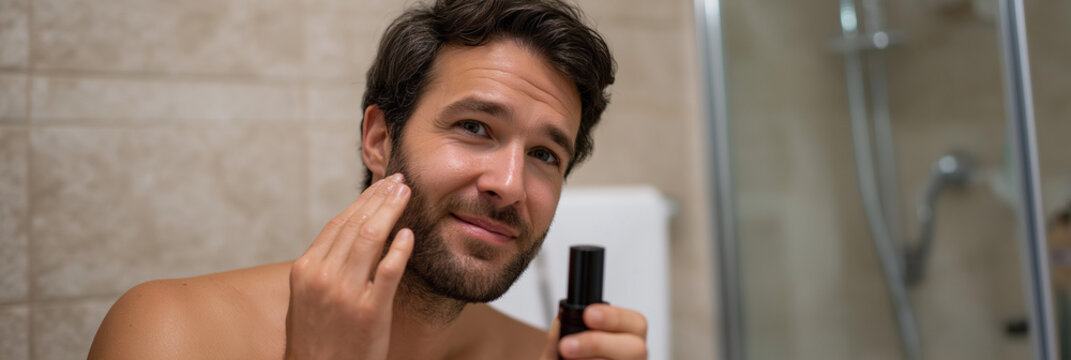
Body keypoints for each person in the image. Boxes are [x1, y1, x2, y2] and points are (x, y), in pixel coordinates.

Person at [87, 0, 648, 359]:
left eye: (546, 155)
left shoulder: (540, 355)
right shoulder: (175, 335)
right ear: (379, 140)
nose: (510, 184)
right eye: (475, 126)